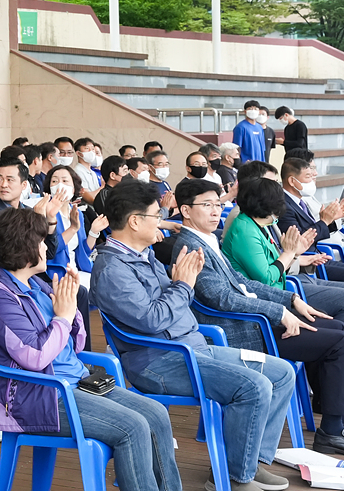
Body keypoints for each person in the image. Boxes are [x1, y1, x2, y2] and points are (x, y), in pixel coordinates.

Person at [90, 180, 297, 491]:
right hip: (159, 361)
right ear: (134, 221)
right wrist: (183, 285)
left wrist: (179, 286)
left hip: (191, 346)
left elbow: (171, 305)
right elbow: (153, 319)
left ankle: (248, 464)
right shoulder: (113, 269)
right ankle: (235, 478)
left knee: (281, 374)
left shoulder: (143, 254)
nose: (160, 222)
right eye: (154, 216)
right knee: (254, 386)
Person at [0, 208, 184, 491]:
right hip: (39, 396)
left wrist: (70, 309)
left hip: (75, 382)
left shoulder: (35, 284)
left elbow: (76, 345)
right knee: (132, 427)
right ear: (23, 248)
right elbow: (35, 357)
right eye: (40, 242)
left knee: (155, 413)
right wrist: (62, 315)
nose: (46, 248)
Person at [170, 179, 344, 456]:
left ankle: (340, 419)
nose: (214, 211)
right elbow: (221, 298)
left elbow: (239, 282)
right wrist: (279, 312)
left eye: (217, 204)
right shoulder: (189, 246)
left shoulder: (206, 240)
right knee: (338, 342)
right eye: (206, 205)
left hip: (255, 319)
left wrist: (290, 299)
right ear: (185, 210)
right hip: (240, 329)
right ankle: (332, 430)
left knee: (338, 327)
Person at [277, 158, 344, 332]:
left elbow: (317, 229)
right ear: (292, 180)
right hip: (306, 260)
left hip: (315, 255)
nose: (314, 178)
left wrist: (335, 218)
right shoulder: (284, 205)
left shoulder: (301, 200)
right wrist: (326, 220)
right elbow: (304, 237)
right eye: (309, 175)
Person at [234, 101, 267, 166]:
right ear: (245, 111)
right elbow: (237, 147)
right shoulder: (240, 127)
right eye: (250, 109)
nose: (253, 111)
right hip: (247, 164)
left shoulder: (259, 127)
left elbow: (262, 148)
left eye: (255, 109)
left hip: (260, 164)